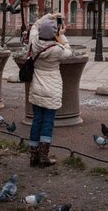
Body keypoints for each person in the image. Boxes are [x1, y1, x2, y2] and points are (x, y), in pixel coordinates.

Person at [26, 14, 73, 168]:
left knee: (36, 121)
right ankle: (43, 156)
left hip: (37, 87)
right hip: (52, 89)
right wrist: (62, 36)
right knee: (48, 123)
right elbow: (69, 52)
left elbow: (34, 25)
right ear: (53, 34)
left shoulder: (33, 43)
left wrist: (49, 16)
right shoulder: (57, 49)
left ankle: (33, 156)